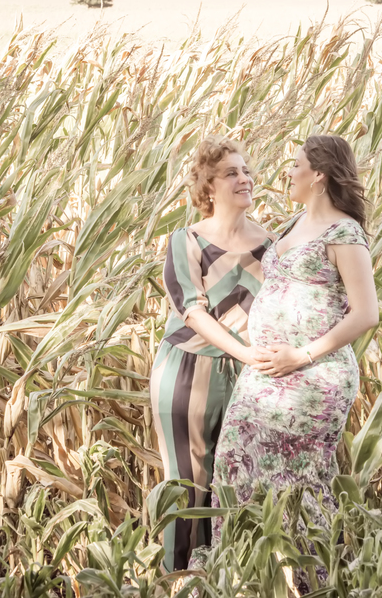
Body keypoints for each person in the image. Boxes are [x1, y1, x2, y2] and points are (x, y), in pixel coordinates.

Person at [191, 134, 379, 591]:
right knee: (234, 467)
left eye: (295, 165)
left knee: (297, 486)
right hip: (265, 375)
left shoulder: (344, 233)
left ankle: (310, 584)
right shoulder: (292, 224)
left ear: (318, 175)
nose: (286, 173)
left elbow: (367, 312)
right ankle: (246, 580)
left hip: (313, 379)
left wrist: (303, 354)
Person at [149, 135, 279, 575]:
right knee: (186, 486)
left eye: (246, 171)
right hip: (187, 372)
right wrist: (245, 353)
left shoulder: (273, 247)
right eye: (231, 173)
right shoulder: (185, 241)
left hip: (249, 375)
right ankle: (179, 582)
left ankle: (229, 580)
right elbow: (193, 312)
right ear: (207, 188)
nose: (245, 178)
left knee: (238, 486)